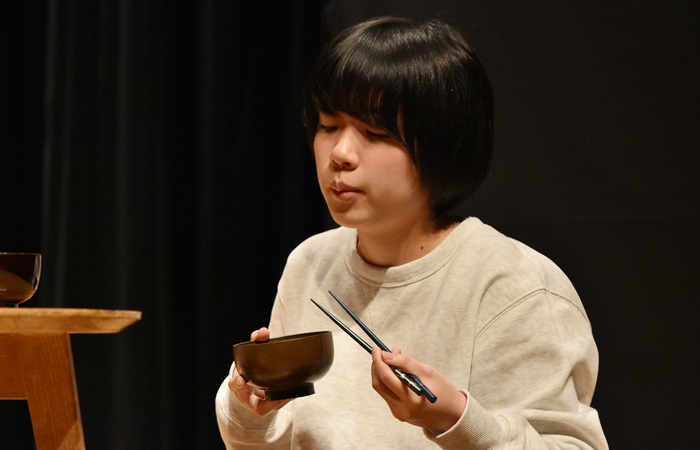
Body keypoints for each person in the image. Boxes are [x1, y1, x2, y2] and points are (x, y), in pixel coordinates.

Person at [216, 16, 608, 449]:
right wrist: (249, 412)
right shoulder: (310, 263)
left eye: (374, 132)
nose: (340, 154)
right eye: (328, 126)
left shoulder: (515, 284)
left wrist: (455, 418)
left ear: (443, 145)